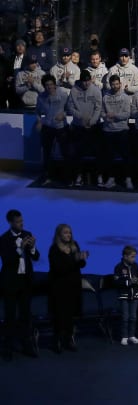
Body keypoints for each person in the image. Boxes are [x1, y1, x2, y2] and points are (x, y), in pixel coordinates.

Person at [0, 209, 40, 360]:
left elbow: (36, 257)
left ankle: (27, 345)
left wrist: (33, 247)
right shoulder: (3, 239)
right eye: (18, 222)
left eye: (22, 221)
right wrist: (19, 248)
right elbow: (7, 260)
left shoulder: (27, 234)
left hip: (25, 282)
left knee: (25, 316)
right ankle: (8, 347)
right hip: (10, 283)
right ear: (10, 222)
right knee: (10, 316)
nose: (21, 224)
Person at [48, 223, 87, 353]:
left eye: (69, 232)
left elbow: (81, 265)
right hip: (60, 287)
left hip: (74, 286)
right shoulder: (54, 249)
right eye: (65, 232)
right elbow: (59, 269)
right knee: (60, 315)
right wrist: (74, 260)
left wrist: (82, 258)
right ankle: (57, 341)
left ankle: (69, 340)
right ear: (59, 234)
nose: (68, 235)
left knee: (70, 316)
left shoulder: (74, 246)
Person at [67, 69, 102, 188]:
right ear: (80, 81)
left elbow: (98, 108)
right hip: (78, 125)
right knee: (77, 153)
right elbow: (70, 107)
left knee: (98, 152)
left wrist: (91, 122)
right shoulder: (74, 90)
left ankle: (98, 176)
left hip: (93, 126)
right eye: (84, 81)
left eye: (88, 81)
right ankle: (78, 175)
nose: (86, 83)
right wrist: (81, 117)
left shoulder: (96, 91)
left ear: (91, 80)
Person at [36, 74, 70, 186]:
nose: (49, 87)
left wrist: (63, 115)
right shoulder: (40, 97)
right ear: (44, 86)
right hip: (48, 127)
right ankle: (48, 176)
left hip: (61, 127)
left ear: (55, 84)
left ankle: (67, 178)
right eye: (47, 85)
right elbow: (38, 112)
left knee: (66, 152)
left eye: (51, 84)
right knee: (46, 153)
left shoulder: (63, 94)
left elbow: (69, 109)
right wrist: (40, 121)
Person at [100, 74, 133, 190]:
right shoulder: (105, 97)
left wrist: (115, 115)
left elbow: (127, 114)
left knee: (126, 157)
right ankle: (111, 179)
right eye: (113, 84)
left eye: (117, 84)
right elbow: (102, 112)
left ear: (120, 84)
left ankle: (128, 179)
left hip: (122, 130)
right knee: (109, 157)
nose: (115, 86)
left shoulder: (125, 97)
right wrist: (105, 117)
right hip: (108, 130)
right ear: (110, 84)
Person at [112, 245, 138, 346]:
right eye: (132, 256)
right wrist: (129, 282)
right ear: (125, 256)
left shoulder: (136, 266)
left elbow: (137, 277)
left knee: (133, 317)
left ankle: (132, 336)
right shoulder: (118, 267)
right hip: (124, 295)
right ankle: (124, 336)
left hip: (134, 295)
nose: (134, 259)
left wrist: (137, 280)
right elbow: (116, 282)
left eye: (135, 256)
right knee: (125, 317)